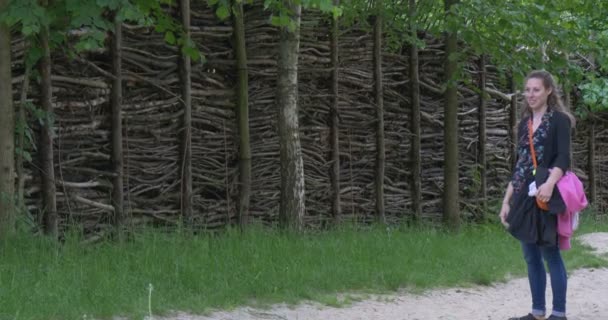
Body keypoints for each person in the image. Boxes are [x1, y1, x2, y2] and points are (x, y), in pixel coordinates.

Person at [499, 70, 576, 320]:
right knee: (530, 255)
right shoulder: (525, 123)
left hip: (546, 194)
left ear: (549, 91)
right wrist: (507, 200)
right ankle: (537, 311)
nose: (531, 94)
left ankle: (559, 313)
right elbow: (521, 164)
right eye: (528, 89)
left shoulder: (560, 121)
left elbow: (563, 157)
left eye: (536, 89)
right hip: (524, 195)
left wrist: (550, 184)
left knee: (549, 252)